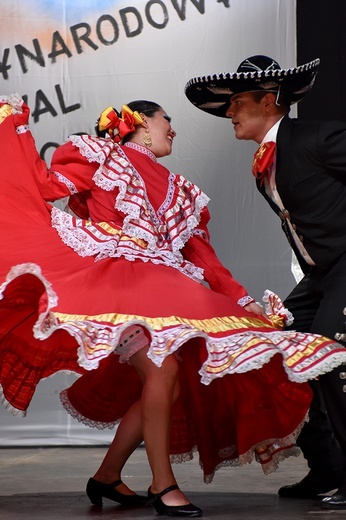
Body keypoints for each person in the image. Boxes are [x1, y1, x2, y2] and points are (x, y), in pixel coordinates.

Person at [1, 94, 346, 518]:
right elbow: (44, 187)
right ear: (142, 122)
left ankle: (107, 475)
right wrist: (12, 125)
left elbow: (204, 259)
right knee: (163, 371)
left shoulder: (182, 191)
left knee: (171, 382)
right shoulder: (98, 153)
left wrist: (242, 301)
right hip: (116, 287)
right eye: (167, 119)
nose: (173, 128)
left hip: (164, 289)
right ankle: (164, 486)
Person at [185, 54, 346, 509]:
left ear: (269, 100)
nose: (229, 112)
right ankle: (325, 469)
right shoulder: (264, 164)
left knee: (330, 356)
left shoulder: (316, 137)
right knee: (278, 356)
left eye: (236, 102)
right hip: (321, 276)